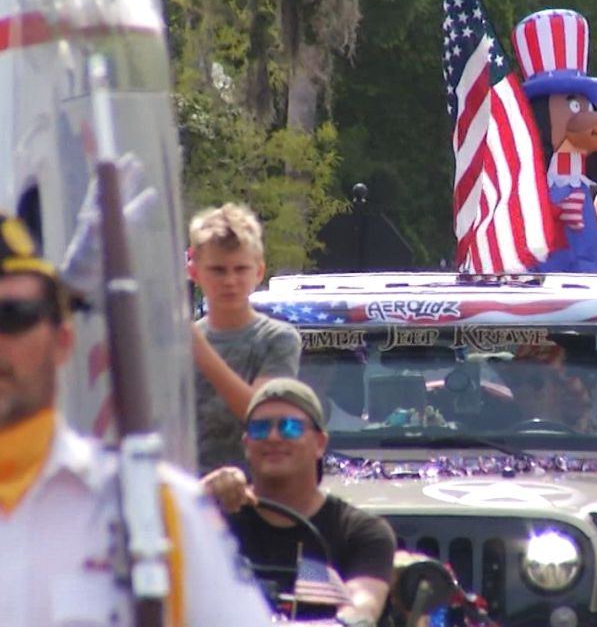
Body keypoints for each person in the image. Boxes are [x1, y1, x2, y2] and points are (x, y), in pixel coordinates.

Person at [0, 211, 274, 625]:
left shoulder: (159, 509)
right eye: (219, 269)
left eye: (13, 316)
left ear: (62, 341)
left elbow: (265, 414)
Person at [202, 378, 396, 626]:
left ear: (320, 443)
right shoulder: (217, 525)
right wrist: (198, 498)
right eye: (259, 429)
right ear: (246, 444)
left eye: (289, 427)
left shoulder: (358, 532)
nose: (273, 437)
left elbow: (362, 610)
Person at [189, 203, 302, 473]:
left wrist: (198, 350)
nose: (230, 281)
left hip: (255, 495)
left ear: (258, 272)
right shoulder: (180, 344)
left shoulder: (278, 339)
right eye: (218, 270)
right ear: (195, 273)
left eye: (240, 269)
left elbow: (261, 415)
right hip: (190, 493)